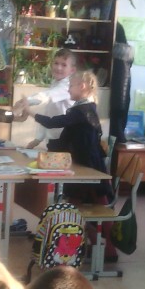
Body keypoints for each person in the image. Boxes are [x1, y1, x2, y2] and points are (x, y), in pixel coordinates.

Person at [30, 70, 113, 200]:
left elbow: (52, 122)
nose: (68, 90)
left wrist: (30, 112)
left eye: (71, 86)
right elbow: (67, 136)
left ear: (82, 86)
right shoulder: (83, 108)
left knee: (87, 197)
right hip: (81, 161)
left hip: (87, 167)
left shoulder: (82, 111)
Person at [26, 49, 77, 150]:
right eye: (56, 63)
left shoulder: (67, 85)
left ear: (72, 70)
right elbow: (48, 113)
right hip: (53, 139)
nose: (58, 68)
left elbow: (46, 96)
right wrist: (38, 139)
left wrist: (26, 102)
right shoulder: (56, 83)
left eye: (64, 65)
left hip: (65, 140)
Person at [107, 23, 134, 144]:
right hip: (118, 109)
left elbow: (120, 96)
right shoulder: (124, 59)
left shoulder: (120, 59)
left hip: (116, 109)